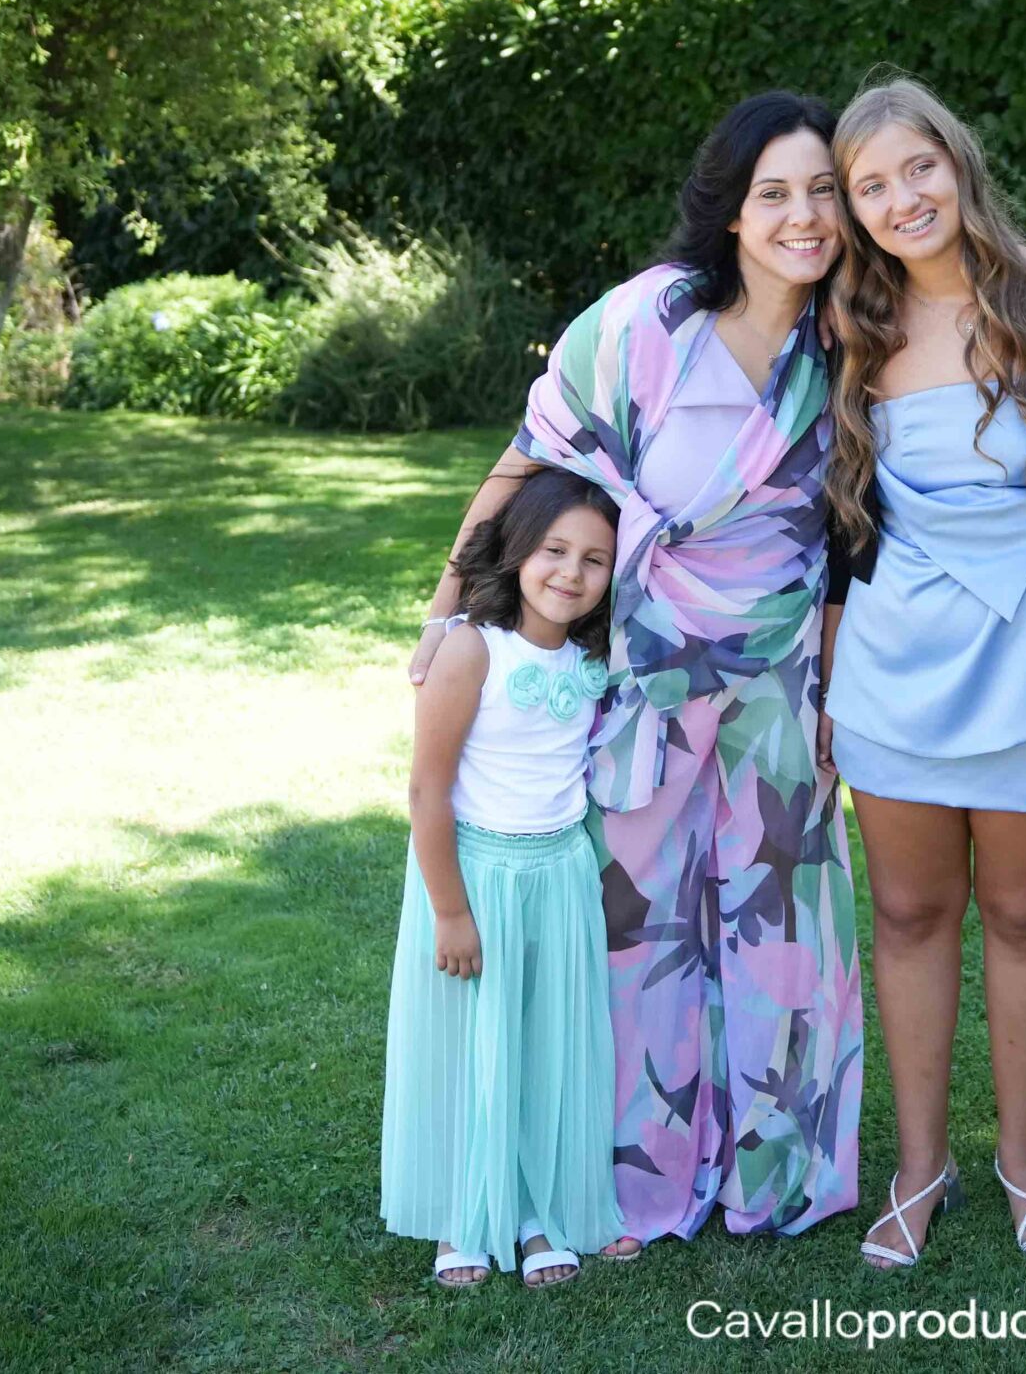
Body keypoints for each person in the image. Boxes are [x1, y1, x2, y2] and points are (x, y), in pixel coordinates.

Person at [407, 92, 864, 1246]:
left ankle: (773, 1177)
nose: (803, 217)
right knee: (639, 935)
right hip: (647, 674)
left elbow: (858, 530)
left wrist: (838, 678)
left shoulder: (853, 337)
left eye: (822, 192)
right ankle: (632, 1182)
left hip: (780, 681)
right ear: (731, 209)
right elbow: (524, 464)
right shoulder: (642, 325)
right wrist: (445, 609)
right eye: (773, 193)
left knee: (778, 935)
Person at [817, 77, 1026, 1270]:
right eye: (871, 185)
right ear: (853, 209)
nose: (901, 198)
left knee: (1024, 914)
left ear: (957, 161)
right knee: (909, 914)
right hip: (895, 663)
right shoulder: (850, 321)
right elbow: (840, 523)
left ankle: (1022, 1157)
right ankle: (921, 1166)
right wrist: (828, 669)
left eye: (917, 167)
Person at [381, 468, 630, 1290]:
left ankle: (534, 1208)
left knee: (543, 1043)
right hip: (477, 875)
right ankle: (464, 1210)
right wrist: (450, 910)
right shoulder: (473, 648)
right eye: (554, 549)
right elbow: (427, 791)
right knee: (472, 1046)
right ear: (518, 547)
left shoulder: (593, 655)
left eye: (595, 559)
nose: (571, 572)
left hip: (559, 874)